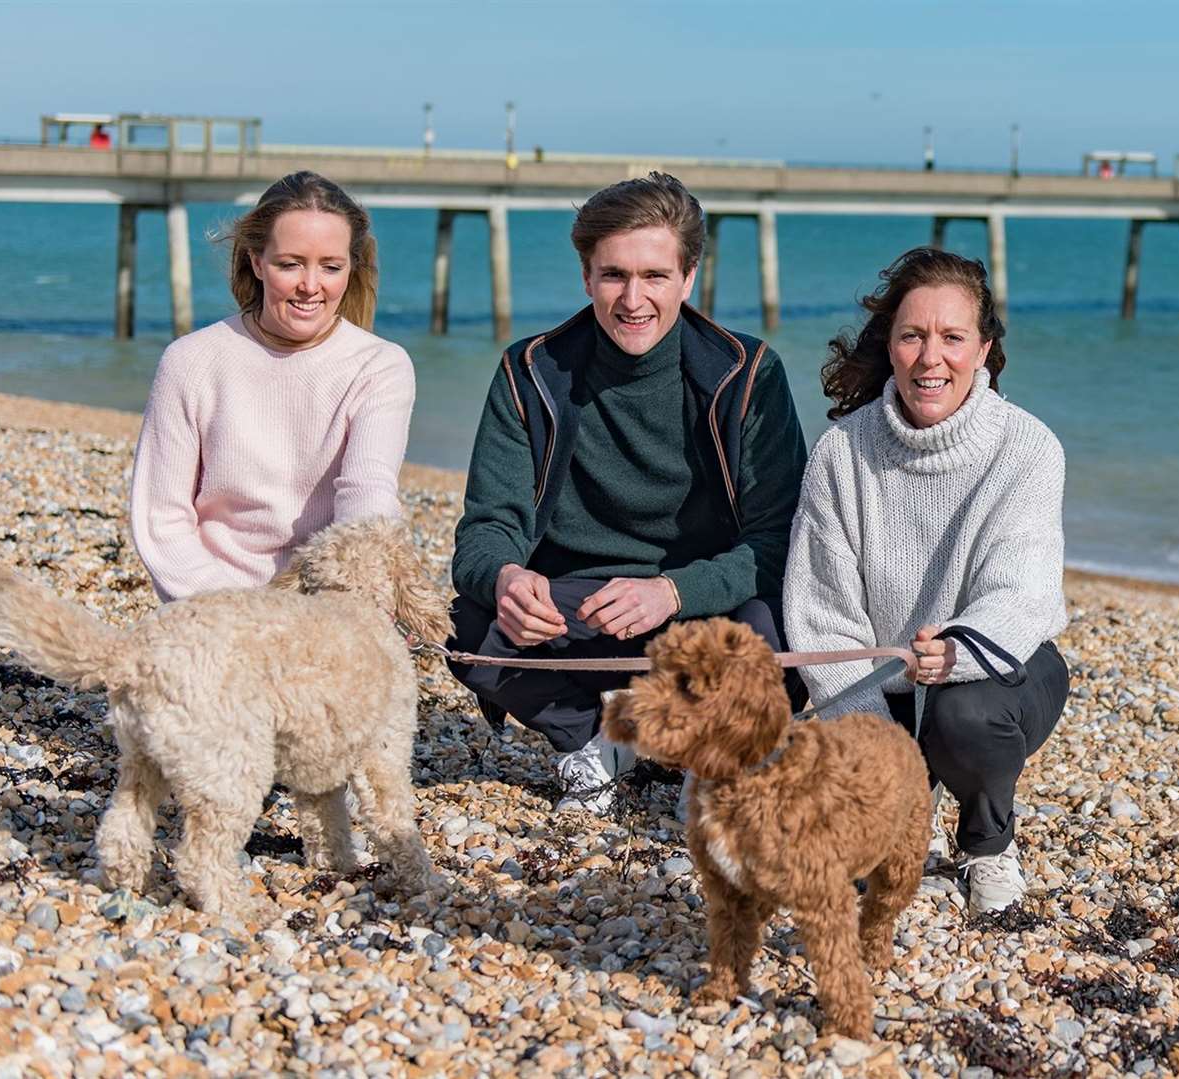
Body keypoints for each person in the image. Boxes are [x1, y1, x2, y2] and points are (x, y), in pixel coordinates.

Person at [446, 172, 808, 812]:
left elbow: (778, 542)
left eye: (655, 276)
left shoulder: (747, 374)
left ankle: (704, 744)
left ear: (688, 277)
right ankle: (590, 736)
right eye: (613, 275)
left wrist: (672, 591)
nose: (632, 298)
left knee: (778, 632)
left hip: (699, 608)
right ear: (586, 277)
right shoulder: (528, 371)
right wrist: (504, 577)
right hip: (572, 612)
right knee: (471, 626)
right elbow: (484, 529)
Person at [783, 247, 1069, 914]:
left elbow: (1021, 589)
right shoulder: (840, 454)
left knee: (964, 714)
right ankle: (907, 786)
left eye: (952, 337)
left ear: (984, 348)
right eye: (912, 336)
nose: (930, 358)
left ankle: (987, 844)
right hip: (870, 687)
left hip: (997, 670)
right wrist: (880, 753)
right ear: (890, 345)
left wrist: (959, 649)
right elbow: (823, 613)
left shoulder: (1028, 448)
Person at [130, 171, 413, 602]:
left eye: (331, 267)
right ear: (256, 261)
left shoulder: (379, 366)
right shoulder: (190, 361)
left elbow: (366, 494)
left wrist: (344, 600)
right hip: (211, 606)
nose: (310, 285)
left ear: (351, 268)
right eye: (290, 264)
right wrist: (239, 611)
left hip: (327, 602)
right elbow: (162, 520)